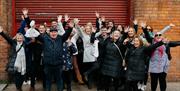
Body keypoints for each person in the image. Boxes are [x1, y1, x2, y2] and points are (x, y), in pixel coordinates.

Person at [35, 21, 74, 91]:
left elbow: (67, 34)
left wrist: (70, 28)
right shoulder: (44, 39)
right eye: (52, 32)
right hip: (48, 64)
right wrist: (28, 21)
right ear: (49, 33)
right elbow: (36, 34)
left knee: (59, 80)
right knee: (48, 80)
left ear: (57, 33)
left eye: (55, 32)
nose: (53, 33)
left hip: (58, 64)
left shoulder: (61, 39)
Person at [0, 26, 27, 91]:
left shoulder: (25, 44)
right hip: (16, 63)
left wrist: (27, 31)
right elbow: (8, 38)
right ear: (16, 38)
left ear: (23, 38)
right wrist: (1, 32)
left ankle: (20, 87)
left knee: (22, 77)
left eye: (21, 38)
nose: (19, 39)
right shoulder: (13, 43)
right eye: (18, 38)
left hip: (23, 64)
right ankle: (18, 88)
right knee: (17, 77)